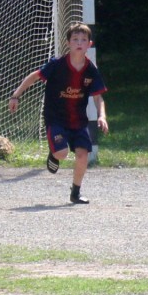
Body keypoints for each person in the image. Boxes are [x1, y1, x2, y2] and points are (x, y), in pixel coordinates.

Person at [9, 22, 109, 205]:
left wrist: (102, 116)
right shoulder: (57, 64)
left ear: (89, 44)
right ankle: (54, 153)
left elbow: (98, 97)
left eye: (83, 40)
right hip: (56, 118)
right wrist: (16, 95)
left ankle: (75, 192)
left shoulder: (91, 69)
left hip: (78, 121)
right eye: (75, 39)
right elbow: (35, 76)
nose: (79, 43)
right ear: (68, 43)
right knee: (62, 153)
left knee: (83, 155)